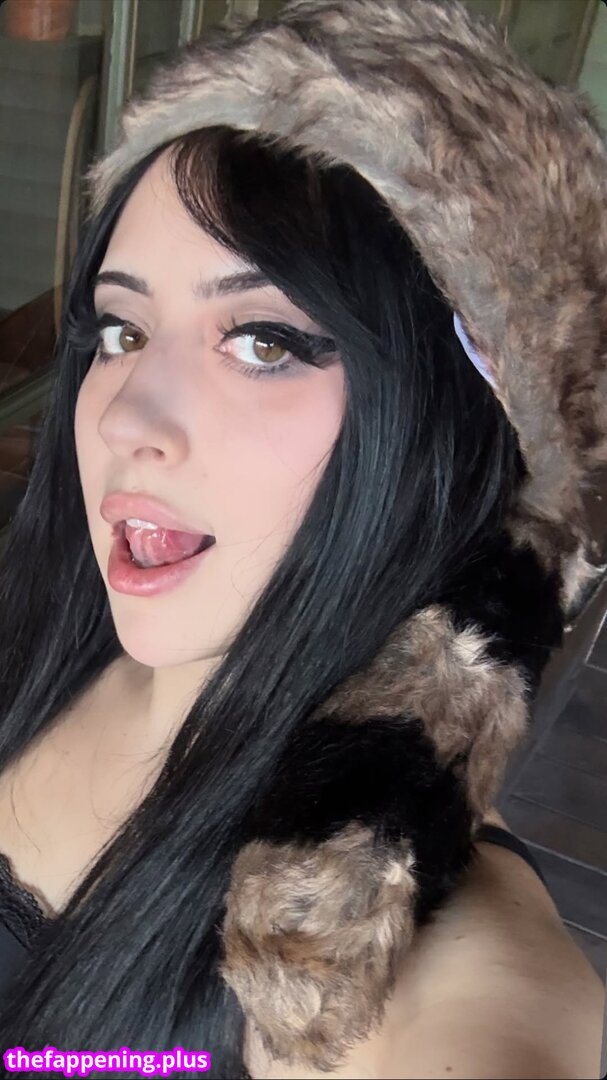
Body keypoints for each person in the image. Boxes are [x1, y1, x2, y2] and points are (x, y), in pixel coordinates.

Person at [0, 1, 604, 1078]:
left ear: (446, 421)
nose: (125, 418)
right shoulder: (45, 615)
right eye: (122, 329)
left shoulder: (389, 965)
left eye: (263, 342)